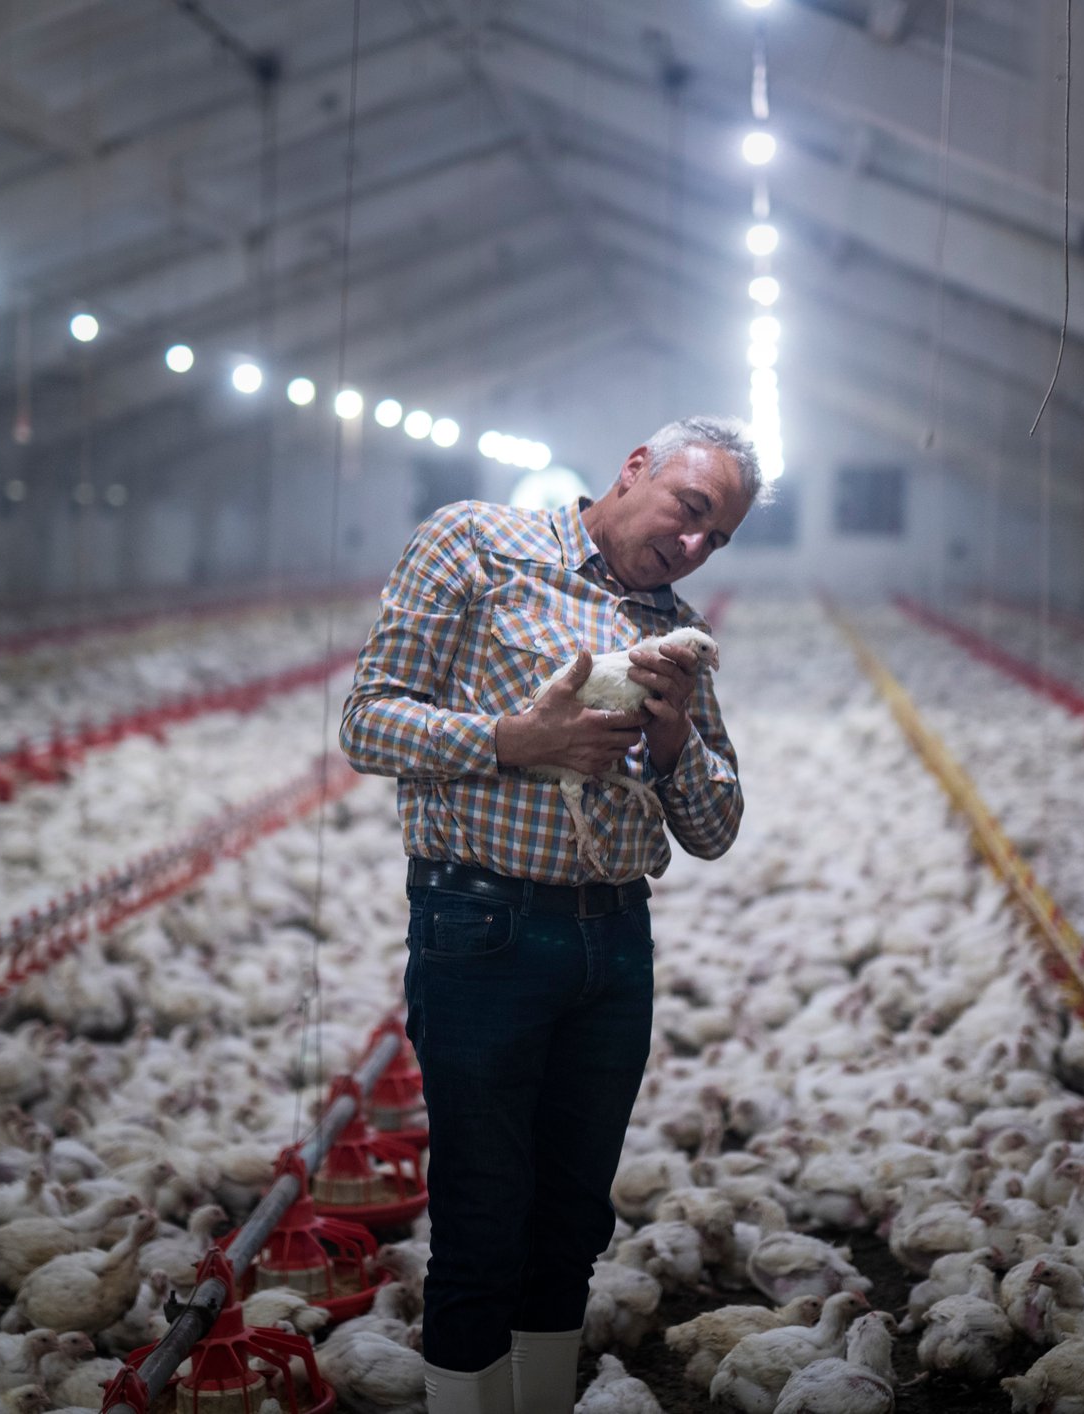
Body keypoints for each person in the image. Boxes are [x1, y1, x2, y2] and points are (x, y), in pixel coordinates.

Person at [340, 415, 763, 1413]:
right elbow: (368, 717)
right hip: (484, 929)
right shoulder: (477, 544)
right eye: (690, 511)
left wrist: (670, 744)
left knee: (574, 1219)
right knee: (486, 1218)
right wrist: (510, 739)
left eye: (718, 539)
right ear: (635, 469)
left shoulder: (677, 633)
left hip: (613, 938)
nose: (693, 545)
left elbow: (716, 825)